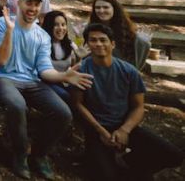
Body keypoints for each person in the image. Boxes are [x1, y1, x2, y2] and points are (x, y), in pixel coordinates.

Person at [0, 0, 94, 180]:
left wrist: (64, 76)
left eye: (36, 4)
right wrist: (10, 31)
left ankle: (39, 154)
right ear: (19, 4)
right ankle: (20, 155)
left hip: (32, 81)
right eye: (29, 3)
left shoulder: (42, 36)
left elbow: (44, 70)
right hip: (3, 76)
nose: (33, 8)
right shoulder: (2, 24)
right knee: (17, 105)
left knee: (63, 113)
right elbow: (1, 60)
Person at [71, 23, 184, 180]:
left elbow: (138, 107)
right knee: (107, 176)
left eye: (103, 40)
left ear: (112, 44)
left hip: (124, 126)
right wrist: (101, 131)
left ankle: (128, 163)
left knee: (174, 156)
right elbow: (78, 104)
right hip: (96, 130)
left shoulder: (128, 71)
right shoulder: (82, 69)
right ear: (88, 44)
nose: (98, 44)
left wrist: (125, 130)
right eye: (93, 40)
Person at [88, 0, 150, 70]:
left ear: (114, 9)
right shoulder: (90, 30)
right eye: (98, 8)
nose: (101, 10)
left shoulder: (125, 32)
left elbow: (142, 47)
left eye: (105, 7)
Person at [40, 10, 81, 103]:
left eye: (63, 24)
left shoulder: (70, 44)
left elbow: (75, 67)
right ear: (49, 26)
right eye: (56, 25)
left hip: (64, 81)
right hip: (45, 83)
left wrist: (79, 58)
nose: (61, 28)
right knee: (65, 95)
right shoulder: (42, 44)